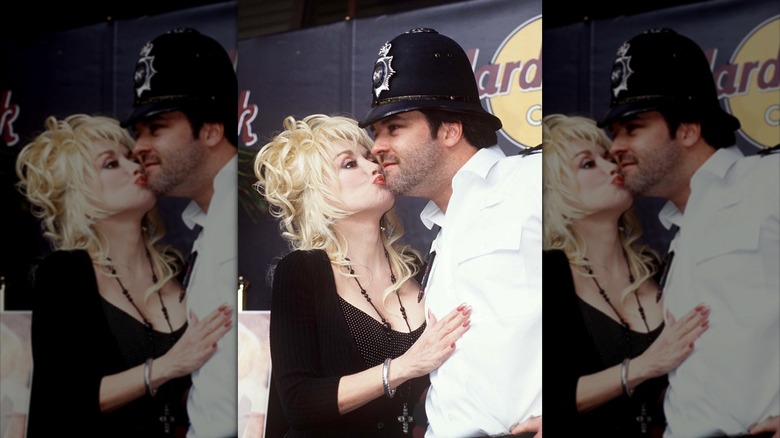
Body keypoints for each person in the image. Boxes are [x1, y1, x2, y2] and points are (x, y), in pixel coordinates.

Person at [359, 28, 542, 437]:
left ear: (450, 130)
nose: (377, 147)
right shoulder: (441, 234)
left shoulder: (531, 180)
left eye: (394, 128)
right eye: (376, 133)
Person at [600, 28, 780, 438]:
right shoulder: (680, 231)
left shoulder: (769, 182)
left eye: (633, 128)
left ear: (688, 129)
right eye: (614, 133)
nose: (615, 147)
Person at [253, 114, 472, 437]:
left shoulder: (417, 267)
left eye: (370, 158)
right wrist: (404, 367)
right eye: (349, 164)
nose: (375, 167)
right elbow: (299, 402)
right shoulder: (303, 271)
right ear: (319, 193)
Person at [15, 114, 233, 437]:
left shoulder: (178, 268)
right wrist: (167, 366)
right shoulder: (64, 274)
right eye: (111, 164)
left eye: (131, 158)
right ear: (81, 193)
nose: (136, 168)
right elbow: (62, 399)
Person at [541, 113, 710, 436]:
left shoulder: (659, 267)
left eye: (607, 158)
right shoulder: (550, 275)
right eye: (588, 164)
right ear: (556, 191)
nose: (612, 167)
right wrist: (645, 366)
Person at [123, 28, 239, 438]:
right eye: (138, 132)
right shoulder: (209, 220)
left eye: (156, 128)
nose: (138, 147)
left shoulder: (244, 219)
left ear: (210, 130)